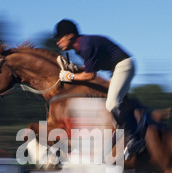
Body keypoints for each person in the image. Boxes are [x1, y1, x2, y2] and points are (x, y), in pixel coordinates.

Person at [54, 19, 145, 160]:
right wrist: (76, 69)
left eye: (59, 38)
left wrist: (70, 76)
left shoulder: (85, 46)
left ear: (70, 36)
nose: (57, 42)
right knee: (111, 107)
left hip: (123, 66)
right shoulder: (81, 46)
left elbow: (91, 75)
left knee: (112, 104)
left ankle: (135, 140)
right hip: (118, 68)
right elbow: (91, 67)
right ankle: (132, 129)